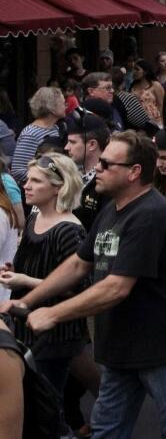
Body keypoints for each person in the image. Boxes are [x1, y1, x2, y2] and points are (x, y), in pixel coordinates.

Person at [0, 131, 166, 437]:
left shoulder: (150, 213)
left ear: (134, 172)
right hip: (120, 346)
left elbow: (116, 287)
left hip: (162, 346)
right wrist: (28, 301)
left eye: (108, 164)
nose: (98, 167)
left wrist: (53, 314)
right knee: (107, 431)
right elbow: (78, 263)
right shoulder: (112, 208)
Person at [0, 154, 85, 396]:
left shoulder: (69, 229)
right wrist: (12, 272)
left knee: (46, 404)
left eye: (36, 181)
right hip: (25, 327)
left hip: (53, 335)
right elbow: (29, 266)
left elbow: (79, 288)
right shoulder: (34, 217)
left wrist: (25, 281)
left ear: (59, 187)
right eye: (28, 179)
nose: (26, 185)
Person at [12, 86, 66, 184]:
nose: (65, 106)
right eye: (62, 103)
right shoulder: (31, 134)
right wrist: (48, 179)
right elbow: (18, 171)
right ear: (51, 107)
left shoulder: (56, 128)